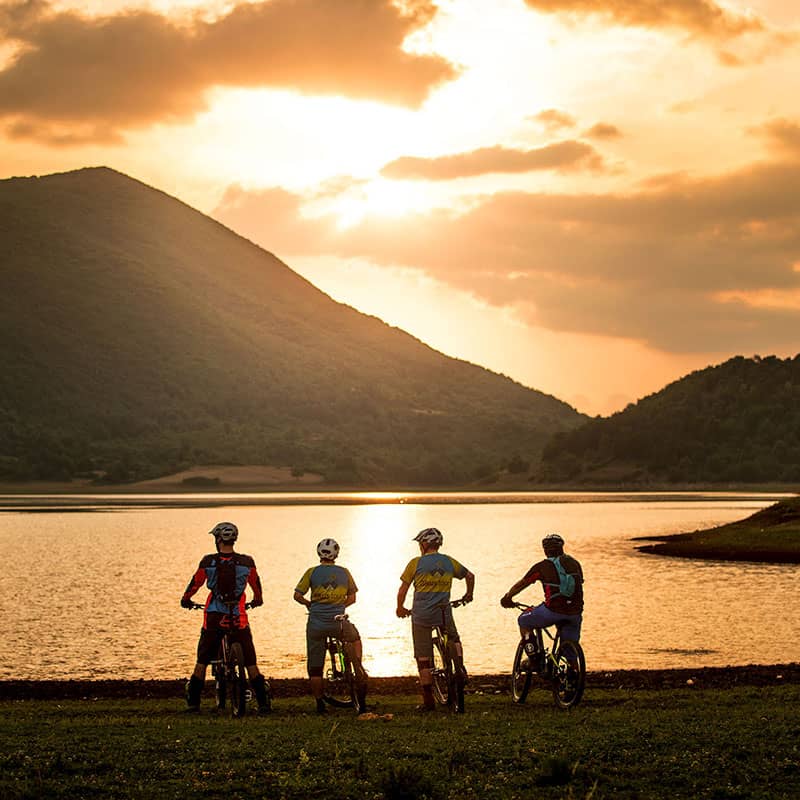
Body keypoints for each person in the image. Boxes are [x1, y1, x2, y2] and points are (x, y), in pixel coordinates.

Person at [181, 521, 271, 713]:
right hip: (238, 616)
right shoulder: (247, 562)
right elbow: (256, 584)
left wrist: (186, 599)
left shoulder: (208, 562)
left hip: (214, 616)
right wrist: (258, 599)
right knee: (250, 662)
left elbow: (195, 584)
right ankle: (263, 702)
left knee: (202, 660)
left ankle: (193, 702)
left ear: (218, 539)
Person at [396, 527, 474, 712]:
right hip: (443, 612)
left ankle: (428, 701)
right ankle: (459, 666)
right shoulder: (448, 561)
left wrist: (400, 608)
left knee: (423, 657)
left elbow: (403, 590)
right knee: (454, 638)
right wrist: (468, 594)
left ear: (424, 544)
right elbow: (469, 576)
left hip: (421, 614)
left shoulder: (415, 563)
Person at [293, 538, 366, 714]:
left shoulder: (311, 572)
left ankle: (319, 703)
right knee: (355, 637)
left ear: (319, 553)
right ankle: (358, 667)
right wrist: (339, 606)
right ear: (336, 554)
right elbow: (352, 598)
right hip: (338, 621)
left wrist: (308, 604)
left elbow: (297, 595)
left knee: (315, 666)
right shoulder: (344, 572)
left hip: (316, 622)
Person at [500, 532, 584, 669]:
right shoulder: (575, 563)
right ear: (562, 548)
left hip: (552, 611)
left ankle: (534, 660)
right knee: (571, 653)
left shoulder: (541, 566)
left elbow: (522, 584)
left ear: (545, 550)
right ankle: (574, 679)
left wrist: (508, 597)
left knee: (524, 620)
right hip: (575, 613)